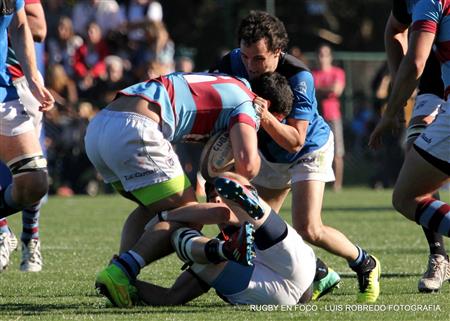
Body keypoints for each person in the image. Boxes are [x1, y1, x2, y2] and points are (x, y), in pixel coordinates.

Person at [211, 10, 381, 302]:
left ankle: (365, 262)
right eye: (246, 56)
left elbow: (295, 140)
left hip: (308, 149)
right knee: (257, 227)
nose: (250, 65)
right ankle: (320, 272)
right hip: (270, 154)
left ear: (278, 52)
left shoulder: (300, 76)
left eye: (259, 58)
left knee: (308, 227)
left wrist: (264, 117)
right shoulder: (231, 62)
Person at [86, 71, 294, 307]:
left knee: (151, 208)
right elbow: (248, 164)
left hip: (101, 125)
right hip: (137, 128)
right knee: (190, 215)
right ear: (268, 107)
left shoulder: (228, 82)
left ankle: (120, 276)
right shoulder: (251, 104)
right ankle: (121, 272)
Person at [134, 173, 316, 306]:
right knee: (191, 244)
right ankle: (228, 247)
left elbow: (220, 213)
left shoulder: (227, 216)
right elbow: (172, 297)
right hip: (274, 288)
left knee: (180, 235)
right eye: (214, 197)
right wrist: (128, 284)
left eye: (222, 197)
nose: (218, 201)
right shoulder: (206, 248)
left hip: (289, 271)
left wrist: (163, 216)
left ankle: (246, 206)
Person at [369, 0, 450, 290]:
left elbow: (415, 60)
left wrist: (391, 111)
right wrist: (402, 89)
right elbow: (393, 29)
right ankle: (439, 256)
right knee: (416, 154)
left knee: (407, 194)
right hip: (431, 86)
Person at [0, 0, 55, 271]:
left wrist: (33, 78)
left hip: (6, 88)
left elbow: (25, 24)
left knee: (34, 181)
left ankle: (28, 236)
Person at [312, 44, 346, 192]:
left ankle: (337, 185)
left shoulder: (338, 72)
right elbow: (313, 92)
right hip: (317, 117)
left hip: (333, 116)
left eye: (325, 54)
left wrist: (321, 90)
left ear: (330, 57)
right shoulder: (313, 74)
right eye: (320, 54)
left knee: (338, 152)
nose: (322, 58)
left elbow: (336, 90)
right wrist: (327, 90)